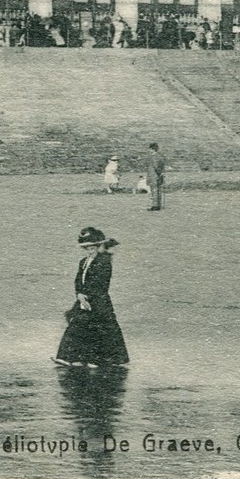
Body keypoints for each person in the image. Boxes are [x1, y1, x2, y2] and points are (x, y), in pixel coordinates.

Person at [53, 227, 129, 367]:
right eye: (87, 248)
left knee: (102, 329)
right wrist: (80, 295)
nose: (90, 251)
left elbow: (101, 283)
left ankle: (103, 359)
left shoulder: (104, 263)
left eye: (92, 248)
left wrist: (88, 298)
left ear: (98, 247)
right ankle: (68, 357)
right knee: (76, 326)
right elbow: (78, 281)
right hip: (84, 300)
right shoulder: (83, 262)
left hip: (99, 301)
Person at [146, 142, 167, 212]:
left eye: (150, 149)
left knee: (154, 191)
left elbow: (156, 166)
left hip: (154, 176)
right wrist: (161, 173)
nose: (149, 150)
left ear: (152, 149)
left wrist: (159, 172)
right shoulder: (160, 156)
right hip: (158, 175)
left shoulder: (153, 157)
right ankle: (158, 204)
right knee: (158, 190)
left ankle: (155, 205)